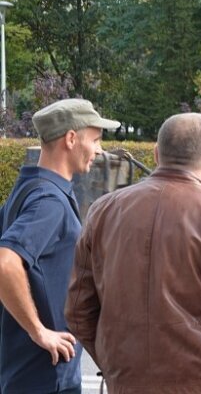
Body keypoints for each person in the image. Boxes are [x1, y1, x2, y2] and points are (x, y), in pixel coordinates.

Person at [65, 113, 201, 394]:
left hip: (127, 383)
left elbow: (79, 311)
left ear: (156, 154)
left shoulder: (103, 211)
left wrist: (116, 366)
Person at [0, 98, 119, 394]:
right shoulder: (49, 202)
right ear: (71, 138)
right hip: (44, 375)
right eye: (95, 139)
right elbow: (5, 263)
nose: (99, 149)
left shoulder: (27, 188)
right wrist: (39, 331)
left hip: (25, 371)